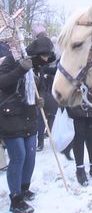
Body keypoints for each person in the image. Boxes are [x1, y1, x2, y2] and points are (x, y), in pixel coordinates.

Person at [0, 35, 55, 213]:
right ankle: (15, 199)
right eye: (44, 55)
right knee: (18, 157)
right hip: (11, 116)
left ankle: (24, 189)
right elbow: (3, 82)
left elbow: (41, 87)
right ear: (37, 52)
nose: (46, 59)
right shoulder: (12, 59)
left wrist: (41, 99)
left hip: (29, 116)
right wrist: (21, 70)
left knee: (30, 157)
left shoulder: (38, 66)